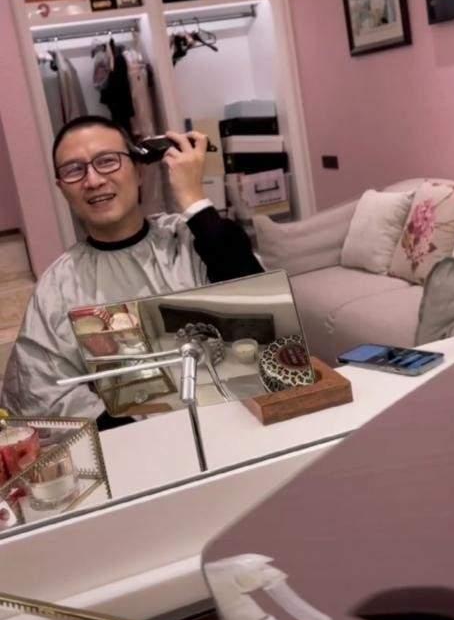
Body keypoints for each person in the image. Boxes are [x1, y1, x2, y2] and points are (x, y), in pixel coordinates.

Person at [0, 115, 263, 424]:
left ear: (139, 171)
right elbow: (40, 392)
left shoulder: (193, 239)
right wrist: (137, 431)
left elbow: (260, 317)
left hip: (240, 419)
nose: (93, 180)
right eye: (74, 170)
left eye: (107, 161)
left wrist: (193, 199)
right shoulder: (58, 286)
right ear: (61, 188)